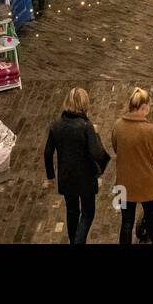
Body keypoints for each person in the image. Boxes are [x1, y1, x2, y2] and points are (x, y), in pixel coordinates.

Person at [43, 87, 109, 244]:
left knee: (72, 212)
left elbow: (47, 152)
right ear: (84, 104)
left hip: (66, 177)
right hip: (85, 179)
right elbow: (97, 153)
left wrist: (51, 176)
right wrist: (96, 134)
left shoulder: (56, 125)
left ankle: (74, 240)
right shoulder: (86, 126)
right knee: (88, 213)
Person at [112, 88, 153, 244]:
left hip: (123, 183)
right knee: (152, 221)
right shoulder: (149, 130)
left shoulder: (118, 126)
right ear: (143, 107)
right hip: (146, 184)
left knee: (126, 223)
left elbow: (116, 147)